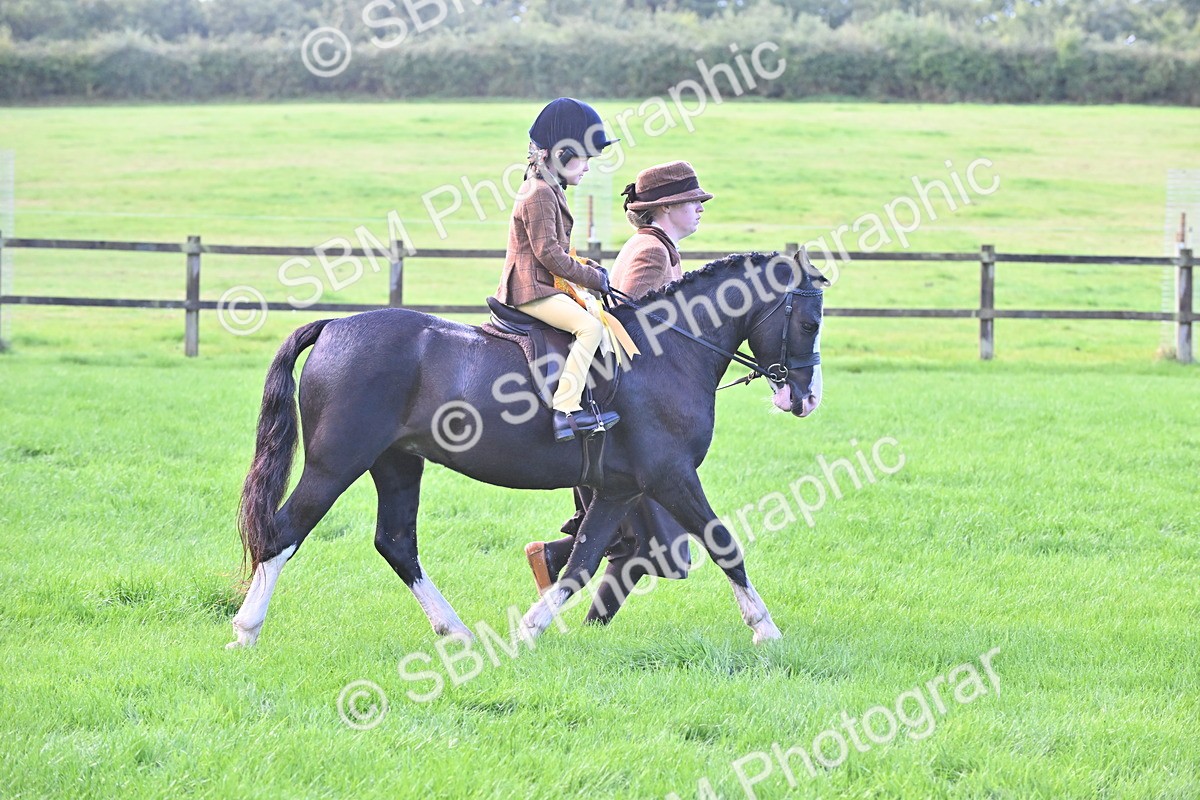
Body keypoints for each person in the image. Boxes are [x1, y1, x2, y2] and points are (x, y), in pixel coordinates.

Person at [524, 161, 714, 620]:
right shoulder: (651, 251)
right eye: (693, 202)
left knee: (645, 540)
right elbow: (629, 327)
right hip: (635, 422)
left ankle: (569, 586)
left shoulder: (660, 247)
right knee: (647, 537)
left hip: (640, 417)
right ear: (666, 208)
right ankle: (556, 566)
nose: (700, 210)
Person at [495, 97, 621, 441]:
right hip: (530, 289)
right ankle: (566, 412)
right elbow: (549, 254)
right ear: (561, 154)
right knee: (589, 327)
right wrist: (593, 279)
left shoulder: (549, 189)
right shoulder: (537, 193)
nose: (587, 168)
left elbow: (562, 252)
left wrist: (593, 268)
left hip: (542, 285)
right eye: (584, 159)